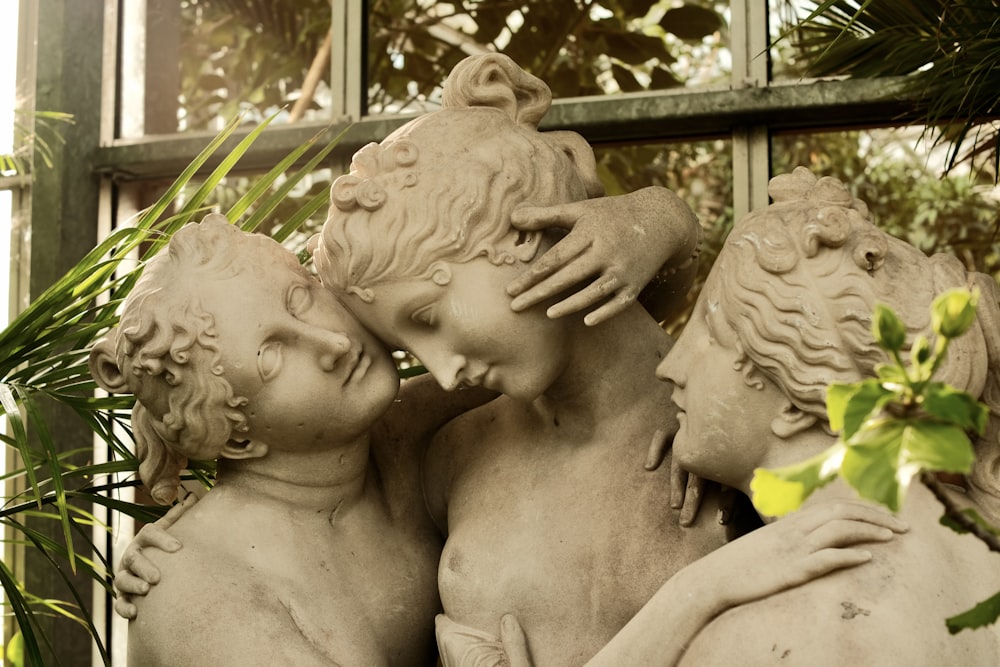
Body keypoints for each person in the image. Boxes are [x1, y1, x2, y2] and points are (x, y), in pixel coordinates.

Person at [310, 54, 905, 666]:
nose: (442, 371)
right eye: (409, 348)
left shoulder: (740, 431)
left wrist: (661, 218)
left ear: (522, 237)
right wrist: (666, 218)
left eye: (429, 318)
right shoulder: (448, 453)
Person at [90, 215, 496, 665]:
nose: (332, 343)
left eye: (300, 298)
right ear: (239, 441)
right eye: (271, 358)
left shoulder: (408, 429)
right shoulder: (198, 592)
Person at [656, 166, 1000, 664]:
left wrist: (684, 601)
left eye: (709, 333)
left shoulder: (761, 640)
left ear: (798, 403)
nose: (671, 366)